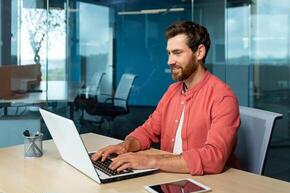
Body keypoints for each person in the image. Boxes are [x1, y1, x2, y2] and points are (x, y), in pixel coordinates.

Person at [92, 21, 240, 175]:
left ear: (200, 52)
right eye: (169, 53)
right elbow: (148, 130)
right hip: (169, 177)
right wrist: (125, 146)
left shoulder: (223, 97)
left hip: (208, 184)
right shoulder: (172, 91)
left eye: (177, 52)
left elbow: (214, 158)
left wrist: (150, 161)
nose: (169, 61)